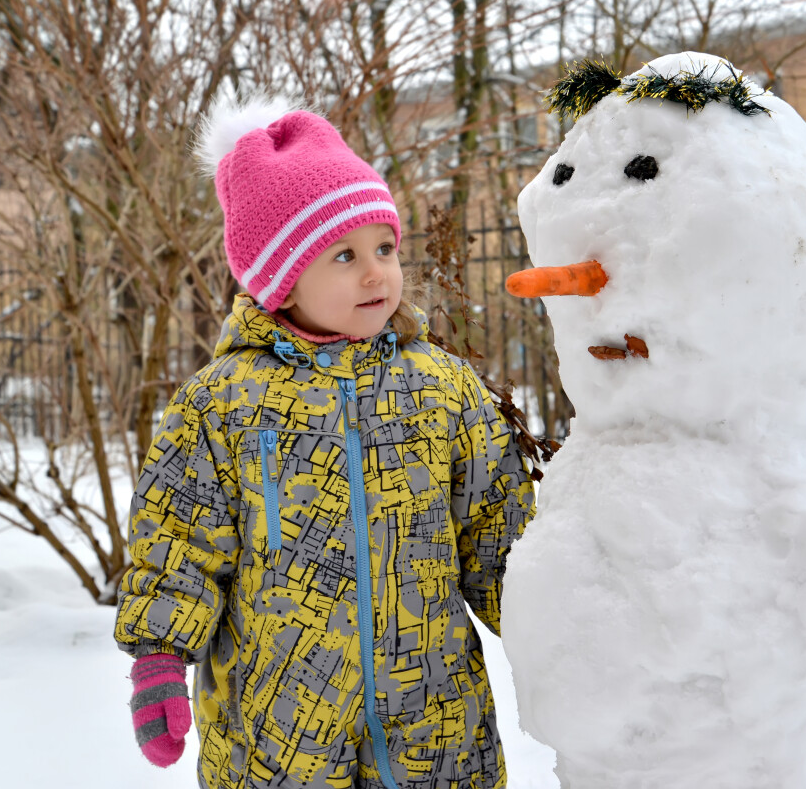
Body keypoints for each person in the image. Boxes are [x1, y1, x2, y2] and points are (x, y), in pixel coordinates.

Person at [114, 99, 536, 789]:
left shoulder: (443, 388)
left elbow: (497, 533)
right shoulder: (223, 403)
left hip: (434, 726)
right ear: (282, 280)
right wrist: (159, 658)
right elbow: (178, 534)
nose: (377, 274)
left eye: (385, 249)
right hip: (279, 732)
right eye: (344, 255)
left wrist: (555, 636)